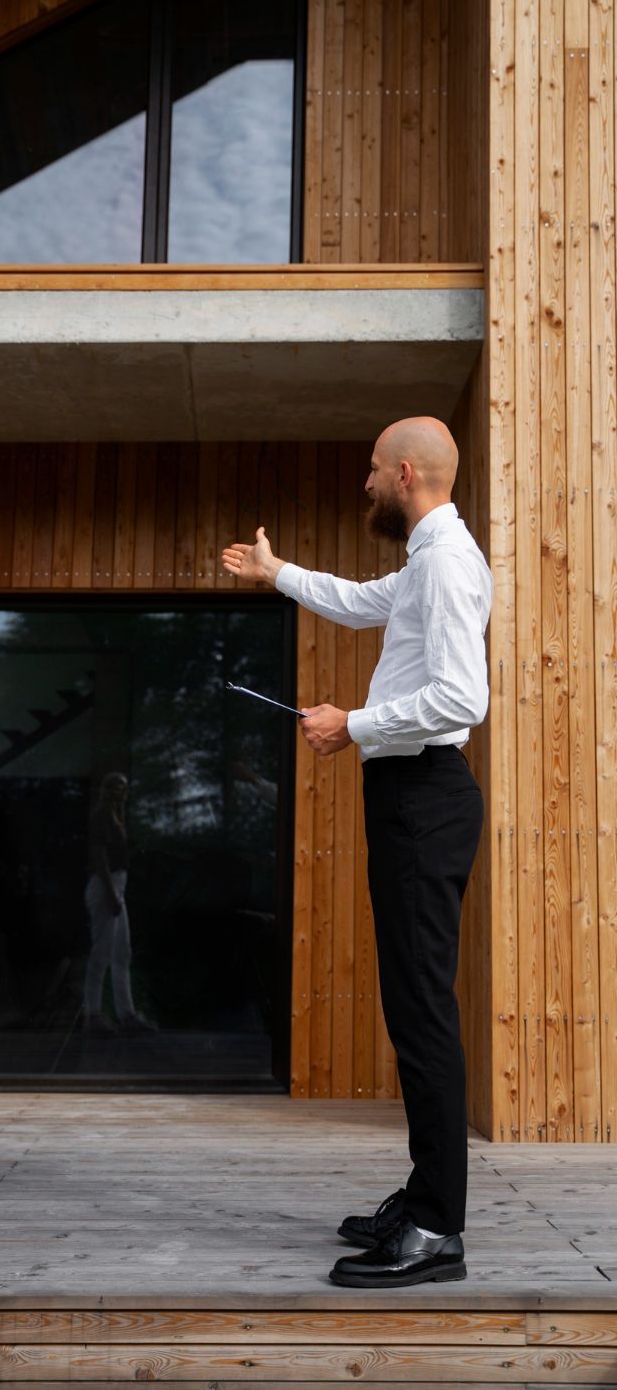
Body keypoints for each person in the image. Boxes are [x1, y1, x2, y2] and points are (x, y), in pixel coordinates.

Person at [222, 417, 491, 1289]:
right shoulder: (425, 561)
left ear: (406, 472)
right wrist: (278, 573)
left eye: (374, 472)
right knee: (412, 1005)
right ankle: (422, 1199)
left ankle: (438, 1229)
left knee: (422, 1012)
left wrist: (356, 723)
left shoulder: (446, 563)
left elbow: (461, 696)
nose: (365, 484)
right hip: (409, 795)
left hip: (424, 796)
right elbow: (361, 600)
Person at [82, 772, 154, 1035]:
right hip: (106, 887)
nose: (122, 793)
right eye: (117, 788)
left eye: (124, 788)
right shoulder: (102, 816)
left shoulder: (117, 818)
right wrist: (111, 895)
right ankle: (92, 1014)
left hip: (117, 887)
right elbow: (99, 855)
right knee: (101, 951)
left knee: (122, 952)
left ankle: (127, 1015)